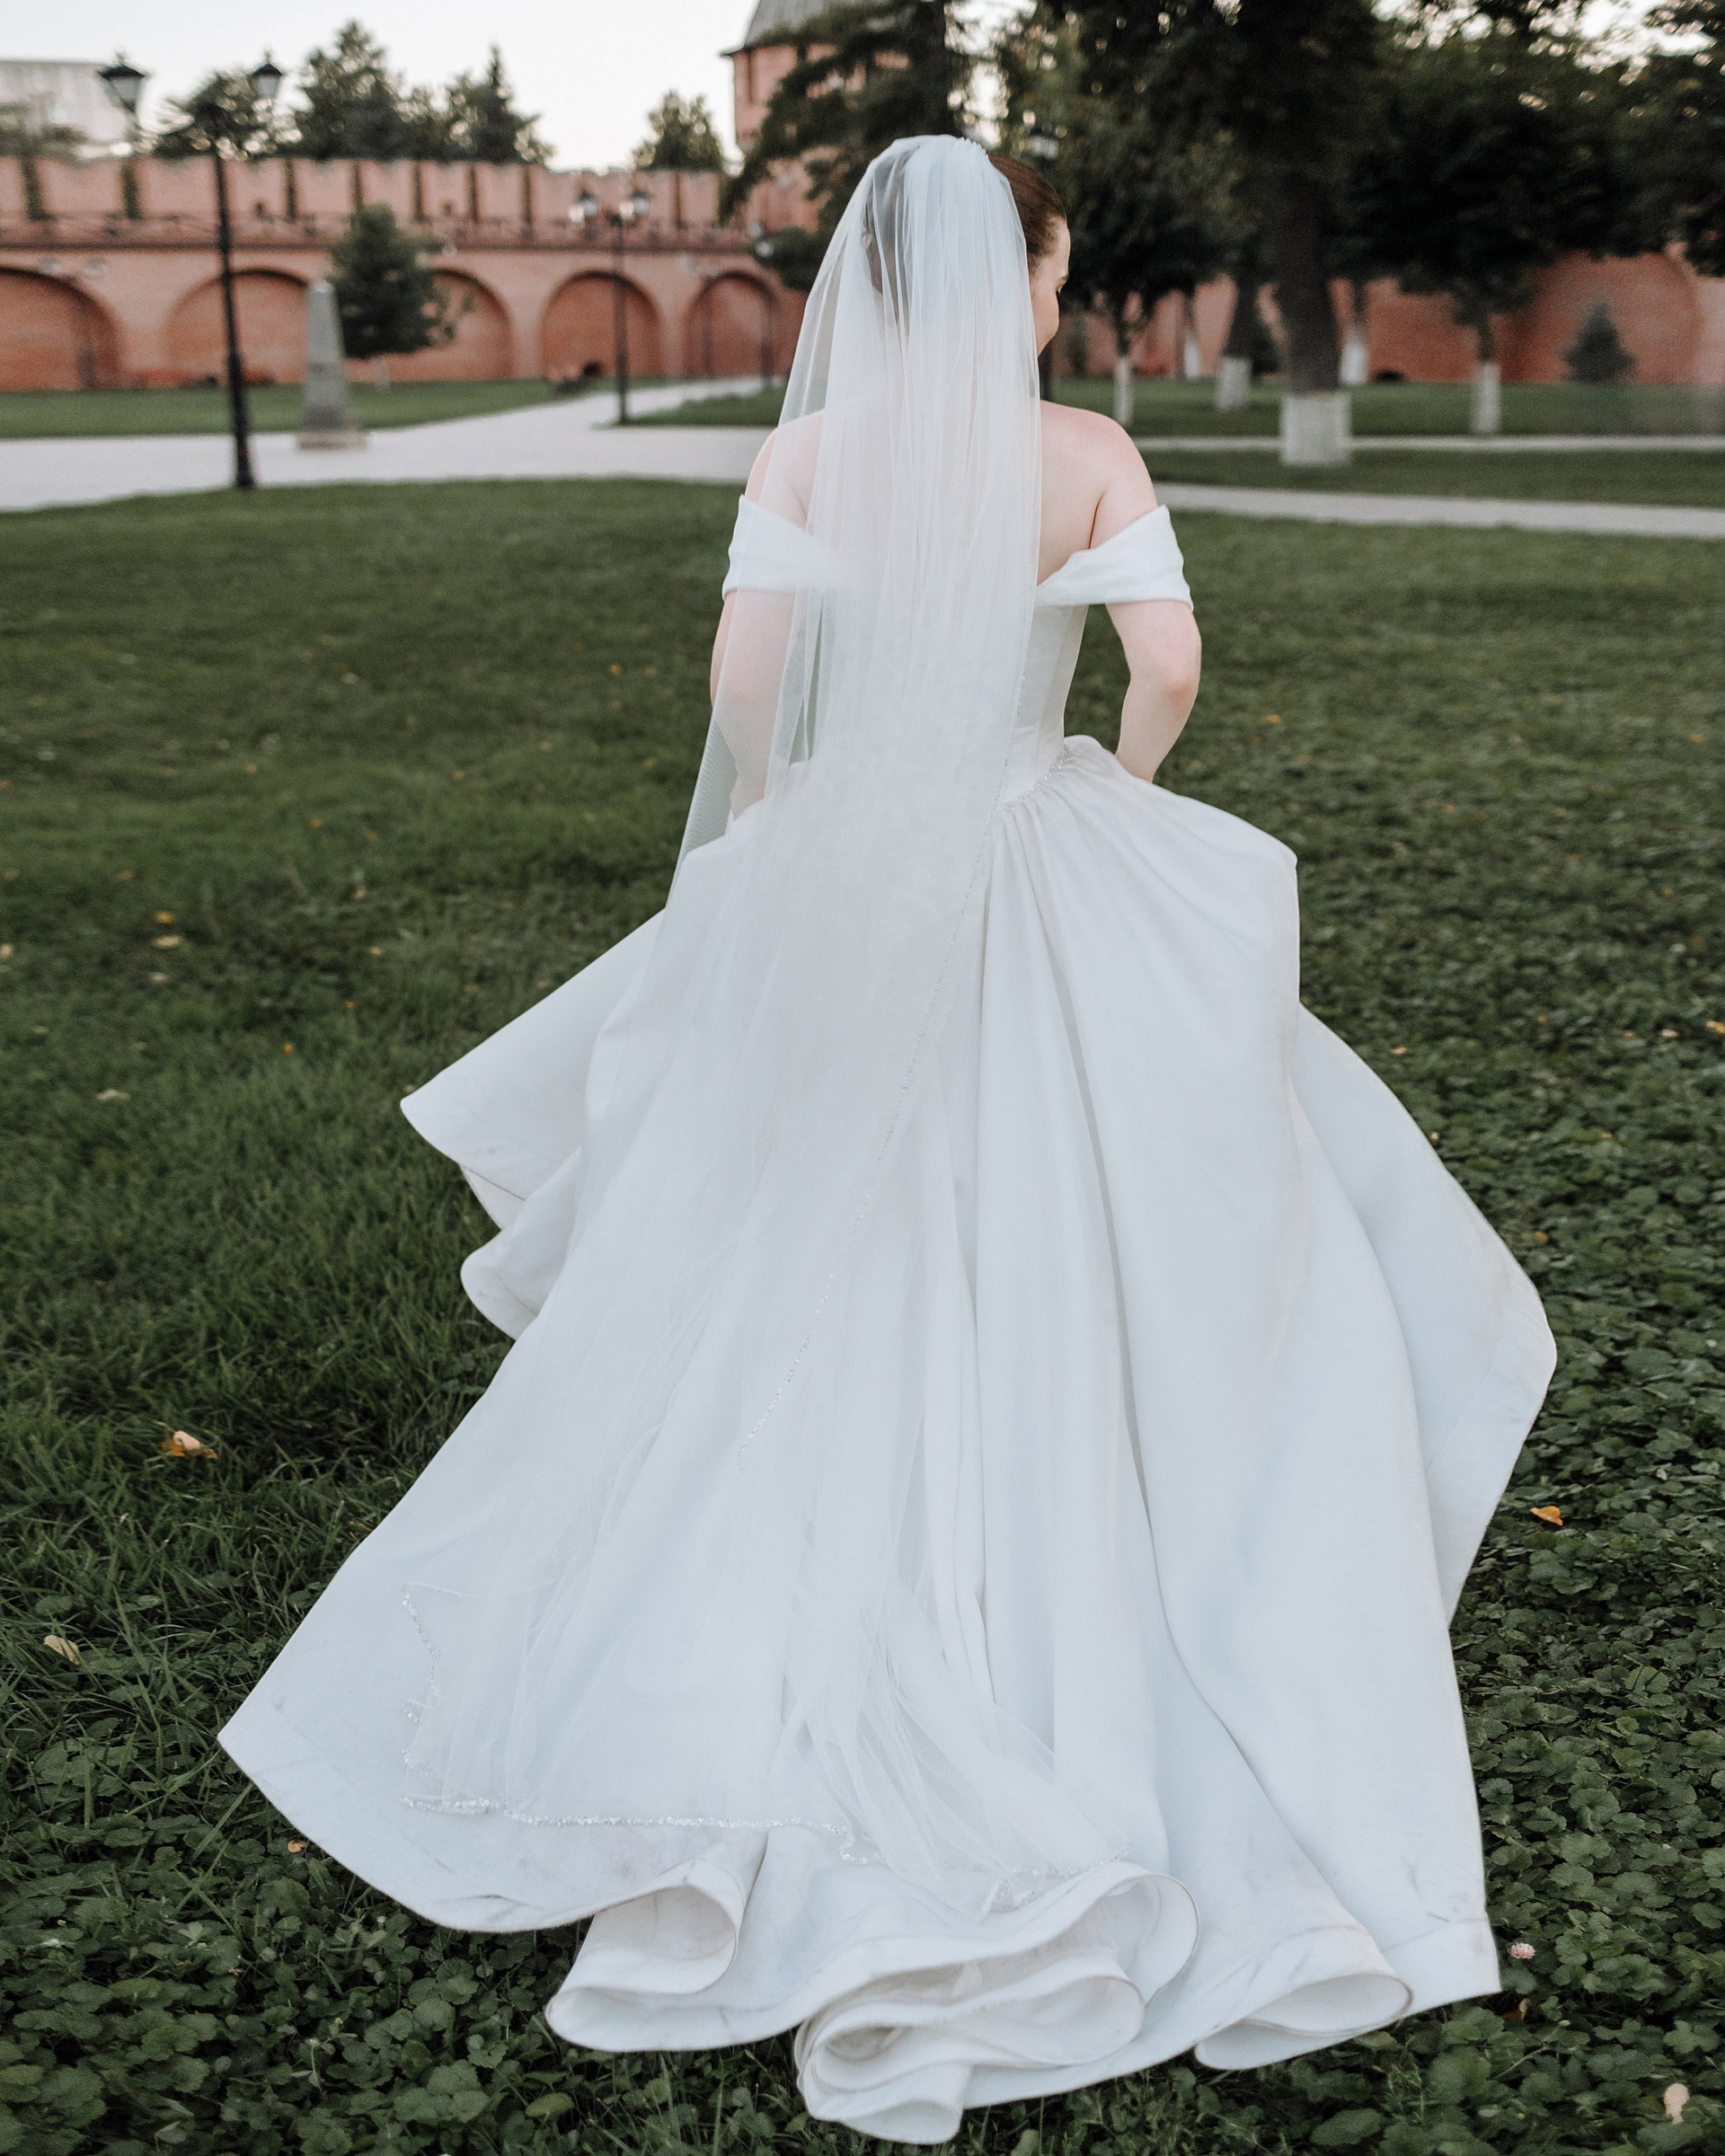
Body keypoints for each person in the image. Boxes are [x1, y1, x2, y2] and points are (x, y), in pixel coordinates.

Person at [222, 139, 1553, 2144]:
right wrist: (1110, 781)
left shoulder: (812, 451)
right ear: (1031, 274)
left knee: (810, 1216)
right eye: (1051, 269)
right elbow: (1171, 666)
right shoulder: (1086, 446)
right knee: (1080, 1197)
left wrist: (787, 812)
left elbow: (747, 682)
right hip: (1032, 832)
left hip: (848, 849)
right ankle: (1084, 1514)